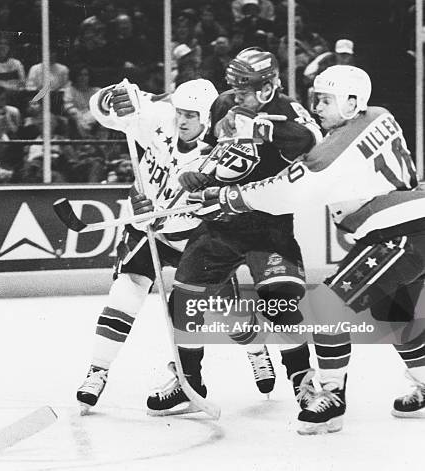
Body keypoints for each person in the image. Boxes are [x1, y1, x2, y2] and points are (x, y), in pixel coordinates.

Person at [190, 65, 425, 433]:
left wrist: (228, 196)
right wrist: (262, 128)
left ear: (352, 103)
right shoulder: (381, 116)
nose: (317, 105)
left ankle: (330, 398)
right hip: (412, 222)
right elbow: (315, 145)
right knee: (394, 311)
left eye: (326, 100)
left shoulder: (334, 151)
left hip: (398, 232)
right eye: (315, 97)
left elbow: (288, 191)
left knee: (325, 305)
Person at [147, 47, 322, 415]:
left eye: (245, 90)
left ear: (268, 86)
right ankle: (189, 383)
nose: (237, 97)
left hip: (268, 225)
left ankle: (304, 383)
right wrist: (199, 173)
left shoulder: (289, 109)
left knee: (280, 306)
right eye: (236, 89)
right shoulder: (226, 105)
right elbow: (215, 152)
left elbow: (311, 143)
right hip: (222, 223)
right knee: (182, 301)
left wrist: (261, 126)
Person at [76, 78, 223, 413]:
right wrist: (110, 98)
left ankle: (255, 353)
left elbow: (216, 205)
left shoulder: (218, 151)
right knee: (124, 294)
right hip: (149, 231)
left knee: (204, 309)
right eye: (180, 112)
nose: (182, 120)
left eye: (191, 115)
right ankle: (96, 372)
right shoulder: (160, 118)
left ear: (208, 119)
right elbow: (101, 110)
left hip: (193, 234)